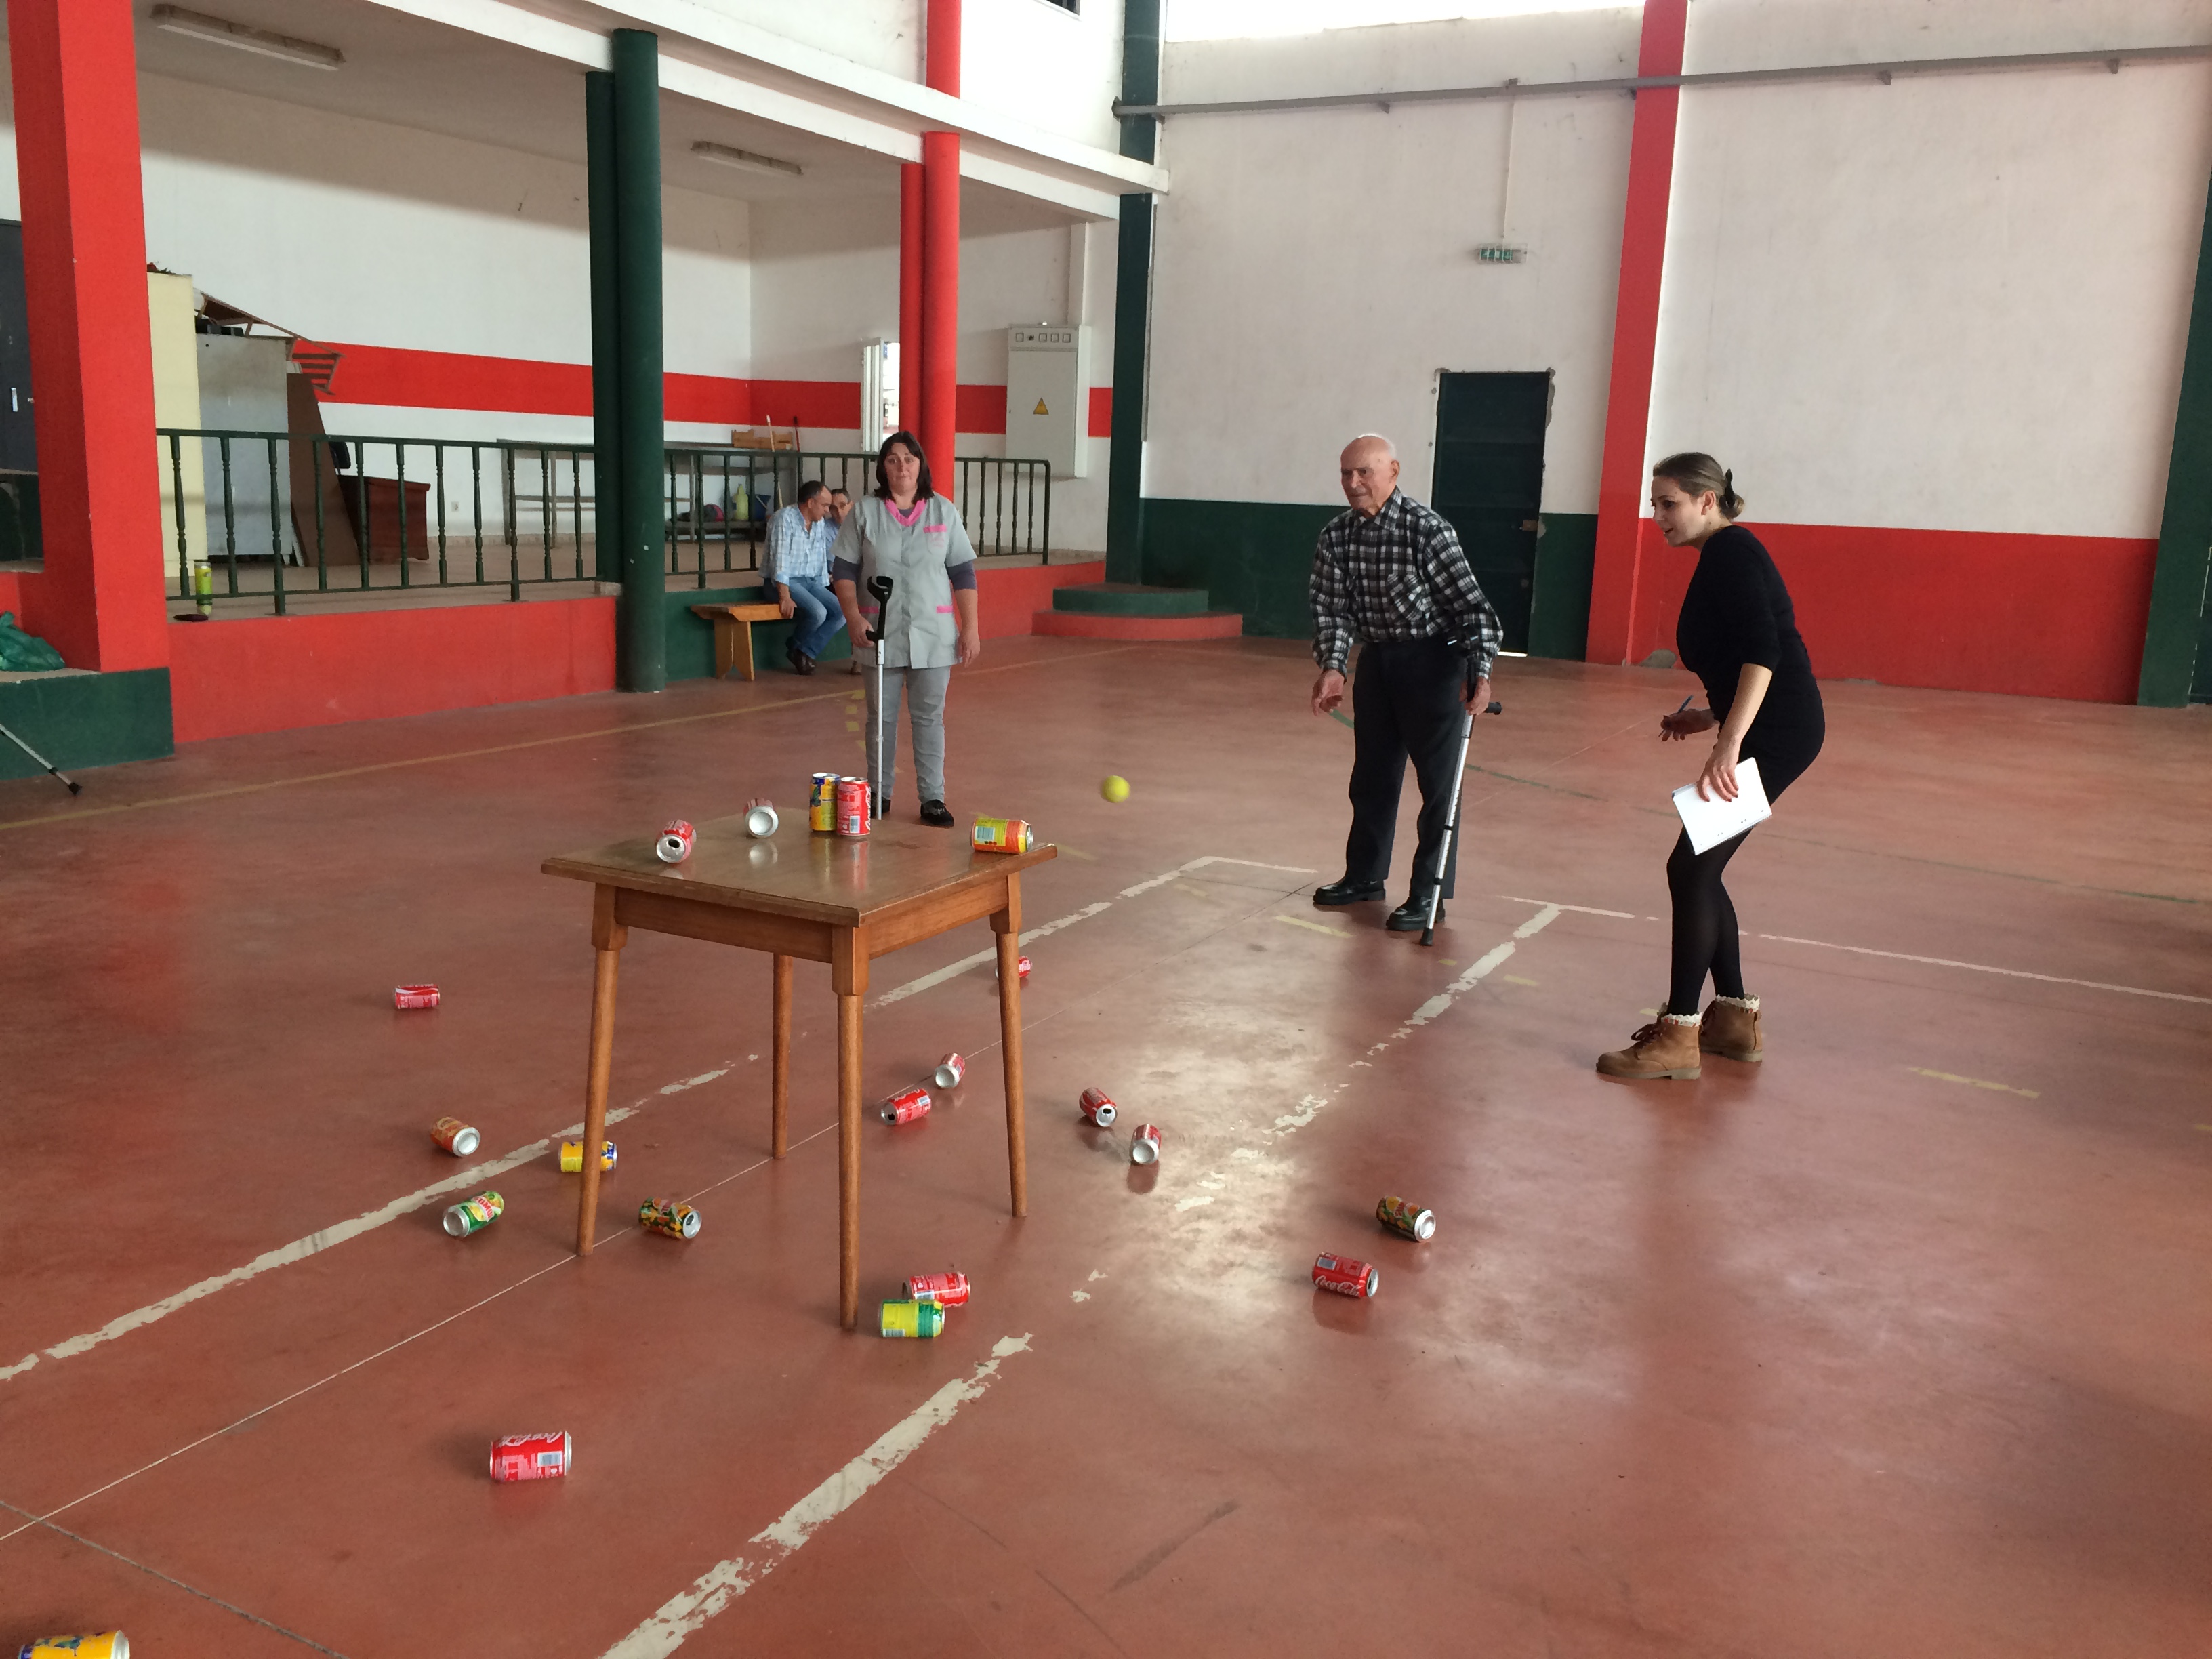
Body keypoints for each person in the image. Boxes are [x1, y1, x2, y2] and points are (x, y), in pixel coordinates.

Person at [1597, 453, 1825, 1081]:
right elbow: (1740, 656)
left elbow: (1764, 654)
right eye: (1654, 504)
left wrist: (1730, 742)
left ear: (1706, 501)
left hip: (1777, 733)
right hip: (1767, 726)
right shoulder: (1722, 556)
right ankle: (1732, 1022)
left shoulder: (1732, 553)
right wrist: (1708, 717)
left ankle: (1679, 1034)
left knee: (1691, 868)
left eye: (1668, 503)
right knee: (1700, 867)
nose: (1658, 516)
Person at [1308, 433, 1502, 931]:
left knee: (1439, 787)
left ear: (1393, 472)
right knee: (1371, 778)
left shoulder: (1427, 531)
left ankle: (1428, 896)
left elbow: (1474, 610)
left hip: (1434, 663)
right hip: (1378, 661)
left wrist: (1480, 671)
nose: (1353, 482)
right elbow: (1331, 609)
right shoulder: (1336, 536)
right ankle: (1364, 876)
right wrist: (1334, 666)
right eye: (1346, 473)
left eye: (1364, 472)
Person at [831, 431, 981, 827]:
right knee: (880, 718)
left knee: (930, 718)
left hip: (934, 634)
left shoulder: (943, 511)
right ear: (883, 467)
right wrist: (853, 617)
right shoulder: (864, 513)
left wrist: (971, 628)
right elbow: (843, 570)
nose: (902, 466)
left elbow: (963, 572)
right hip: (878, 631)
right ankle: (878, 794)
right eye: (893, 459)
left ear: (920, 465)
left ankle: (933, 798)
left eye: (909, 459)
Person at [765, 480, 844, 676]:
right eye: (825, 505)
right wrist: (784, 597)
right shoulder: (783, 519)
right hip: (782, 583)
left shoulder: (819, 523)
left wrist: (824, 591)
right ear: (810, 503)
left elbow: (819, 561)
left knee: (841, 612)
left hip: (810, 582)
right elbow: (779, 562)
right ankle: (797, 649)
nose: (827, 511)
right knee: (818, 612)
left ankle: (803, 651)